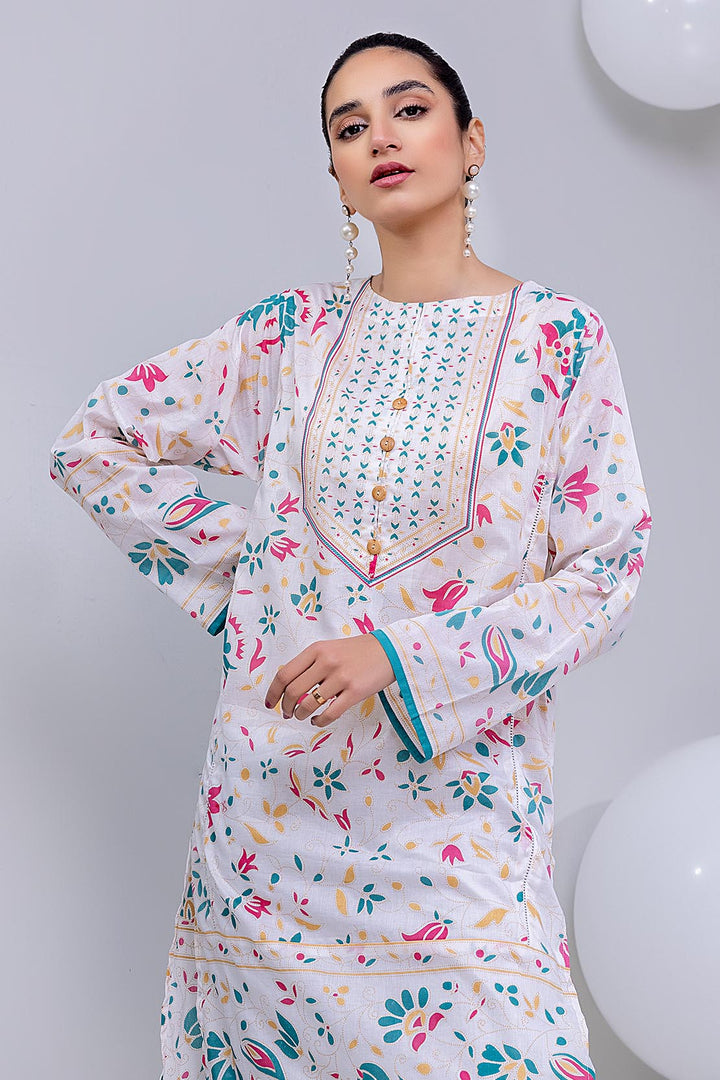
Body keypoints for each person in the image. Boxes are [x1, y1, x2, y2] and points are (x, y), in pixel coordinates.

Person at [49, 30, 651, 1080]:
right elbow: (94, 445)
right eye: (349, 125)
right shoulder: (293, 336)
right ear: (336, 177)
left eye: (409, 109)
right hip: (273, 822)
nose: (381, 137)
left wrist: (398, 656)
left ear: (471, 141)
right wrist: (264, 586)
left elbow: (605, 574)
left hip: (459, 819)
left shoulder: (559, 339)